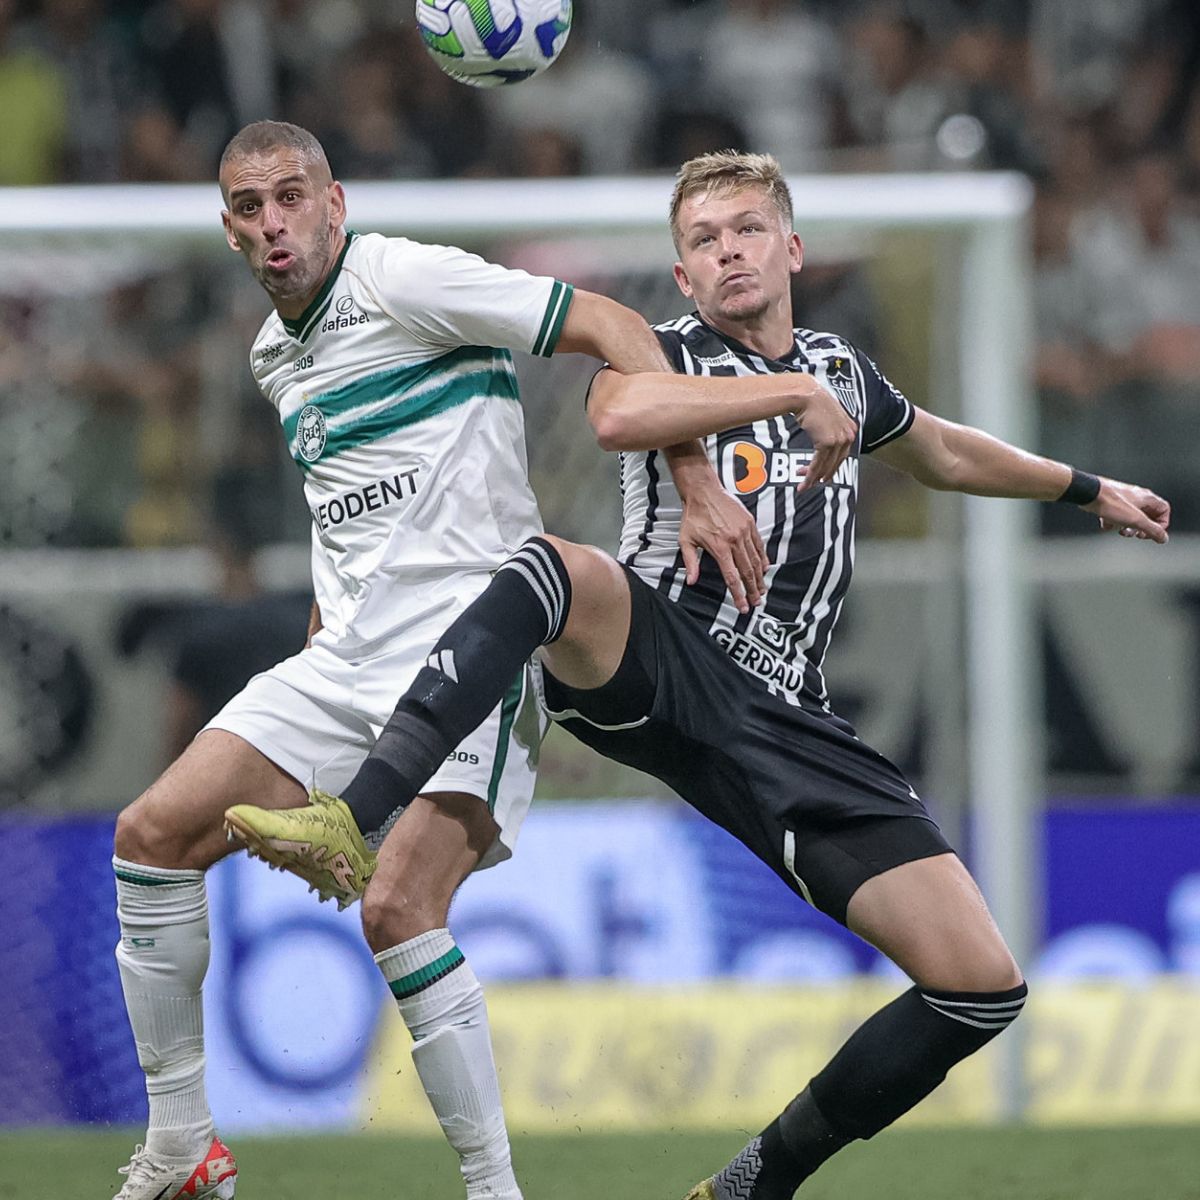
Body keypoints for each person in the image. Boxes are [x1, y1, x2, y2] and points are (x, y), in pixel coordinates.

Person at [226, 150, 1170, 1200]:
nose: (728, 252)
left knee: (981, 987)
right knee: (554, 568)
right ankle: (355, 812)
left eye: (747, 230)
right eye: (703, 241)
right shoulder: (667, 351)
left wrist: (1087, 488)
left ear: (792, 246)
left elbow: (942, 451)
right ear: (680, 277)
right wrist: (790, 395)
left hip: (787, 723)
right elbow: (615, 416)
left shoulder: (841, 374)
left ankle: (750, 1185)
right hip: (663, 654)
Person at [108, 121, 787, 1200]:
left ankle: (492, 1190)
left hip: (477, 641)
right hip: (347, 657)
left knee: (398, 909)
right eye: (250, 206)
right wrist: (327, 625)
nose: (275, 223)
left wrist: (697, 481)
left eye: (293, 197)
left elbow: (608, 322)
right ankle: (187, 1148)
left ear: (336, 203)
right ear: (229, 229)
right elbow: (350, 513)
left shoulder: (401, 276)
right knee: (148, 841)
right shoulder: (273, 356)